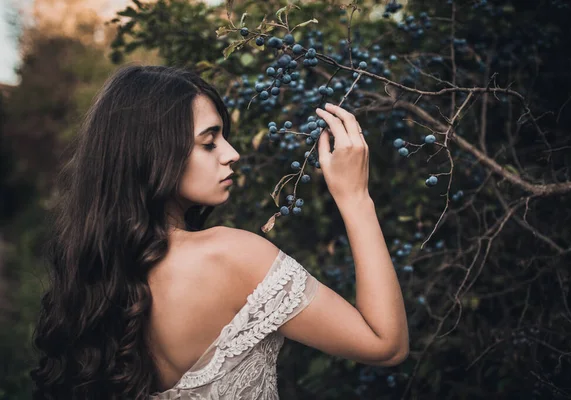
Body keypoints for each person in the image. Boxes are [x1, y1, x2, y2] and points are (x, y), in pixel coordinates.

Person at [31, 65, 409, 399]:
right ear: (153, 153)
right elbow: (385, 344)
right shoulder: (231, 255)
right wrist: (355, 197)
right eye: (209, 142)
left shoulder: (95, 277)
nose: (232, 153)